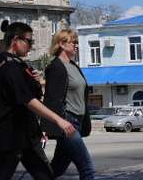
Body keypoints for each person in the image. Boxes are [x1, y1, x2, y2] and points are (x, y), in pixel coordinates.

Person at [0, 20, 76, 180]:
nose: (31, 45)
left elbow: (34, 95)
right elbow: (27, 100)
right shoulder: (8, 66)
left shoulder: (19, 65)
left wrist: (35, 82)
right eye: (29, 41)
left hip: (26, 135)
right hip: (10, 136)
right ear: (16, 41)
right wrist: (58, 120)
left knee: (45, 176)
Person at [43, 29, 97, 180]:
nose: (76, 45)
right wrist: (51, 126)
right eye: (73, 42)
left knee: (55, 170)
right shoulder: (55, 67)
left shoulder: (74, 66)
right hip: (67, 123)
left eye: (77, 42)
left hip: (78, 122)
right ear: (61, 43)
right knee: (87, 168)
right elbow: (51, 99)